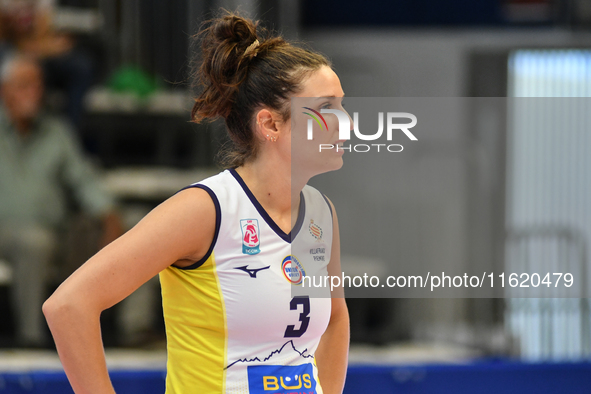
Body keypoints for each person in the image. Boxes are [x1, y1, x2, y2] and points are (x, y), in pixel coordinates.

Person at [43, 11, 350, 393]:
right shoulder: (206, 209)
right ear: (270, 125)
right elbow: (69, 306)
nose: (345, 121)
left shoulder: (320, 212)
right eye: (326, 109)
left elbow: (335, 319)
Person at [0, 52, 121, 347]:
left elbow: (83, 179)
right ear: (5, 91)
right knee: (35, 242)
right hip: (8, 230)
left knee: (131, 229)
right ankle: (31, 338)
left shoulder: (57, 133)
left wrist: (108, 213)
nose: (35, 92)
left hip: (58, 230)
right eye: (25, 85)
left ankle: (131, 331)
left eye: (38, 85)